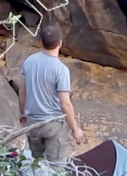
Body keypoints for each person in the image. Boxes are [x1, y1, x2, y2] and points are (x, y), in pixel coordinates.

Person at [18, 24, 86, 162]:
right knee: (55, 168)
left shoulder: (29, 61)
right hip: (52, 125)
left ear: (41, 42)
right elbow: (65, 104)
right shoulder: (60, 69)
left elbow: (22, 91)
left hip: (32, 124)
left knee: (36, 165)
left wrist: (22, 113)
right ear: (60, 43)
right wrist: (75, 129)